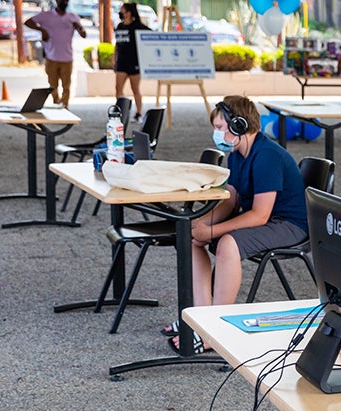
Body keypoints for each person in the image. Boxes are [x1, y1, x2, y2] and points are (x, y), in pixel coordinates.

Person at [166, 96, 308, 354]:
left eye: (220, 127)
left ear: (239, 125)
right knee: (191, 238)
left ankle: (216, 331)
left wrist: (212, 230)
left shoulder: (266, 156)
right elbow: (231, 198)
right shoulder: (237, 153)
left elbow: (260, 216)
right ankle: (201, 319)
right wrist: (200, 224)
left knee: (228, 244)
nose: (217, 133)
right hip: (266, 219)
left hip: (290, 224)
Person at [25, 0, 87, 109]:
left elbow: (83, 35)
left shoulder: (73, 17)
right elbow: (28, 22)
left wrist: (78, 27)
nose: (64, 2)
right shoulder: (46, 15)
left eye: (66, 0)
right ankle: (56, 103)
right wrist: (42, 30)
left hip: (67, 58)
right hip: (51, 57)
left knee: (66, 86)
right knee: (53, 86)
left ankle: (65, 106)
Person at [113, 2, 151, 122]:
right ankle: (120, 112)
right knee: (118, 88)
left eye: (122, 10)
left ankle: (139, 113)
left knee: (135, 89)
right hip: (122, 62)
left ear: (129, 13)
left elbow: (150, 34)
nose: (120, 13)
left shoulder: (137, 26)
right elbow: (117, 44)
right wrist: (114, 59)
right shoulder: (119, 26)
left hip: (134, 62)